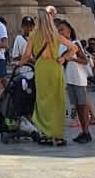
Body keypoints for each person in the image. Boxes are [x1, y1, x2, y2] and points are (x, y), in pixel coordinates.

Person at [19, 8, 67, 146]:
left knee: (43, 100)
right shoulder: (55, 34)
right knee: (57, 101)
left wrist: (20, 63)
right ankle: (58, 136)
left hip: (42, 69)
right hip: (55, 68)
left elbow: (27, 55)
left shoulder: (34, 35)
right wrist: (63, 59)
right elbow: (73, 48)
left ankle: (46, 133)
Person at [57, 20, 94, 145]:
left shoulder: (75, 43)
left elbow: (85, 61)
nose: (60, 32)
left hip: (78, 78)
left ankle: (86, 131)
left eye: (62, 29)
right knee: (76, 106)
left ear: (69, 30)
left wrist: (72, 58)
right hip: (69, 78)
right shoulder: (60, 45)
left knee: (82, 106)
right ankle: (83, 131)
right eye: (59, 30)